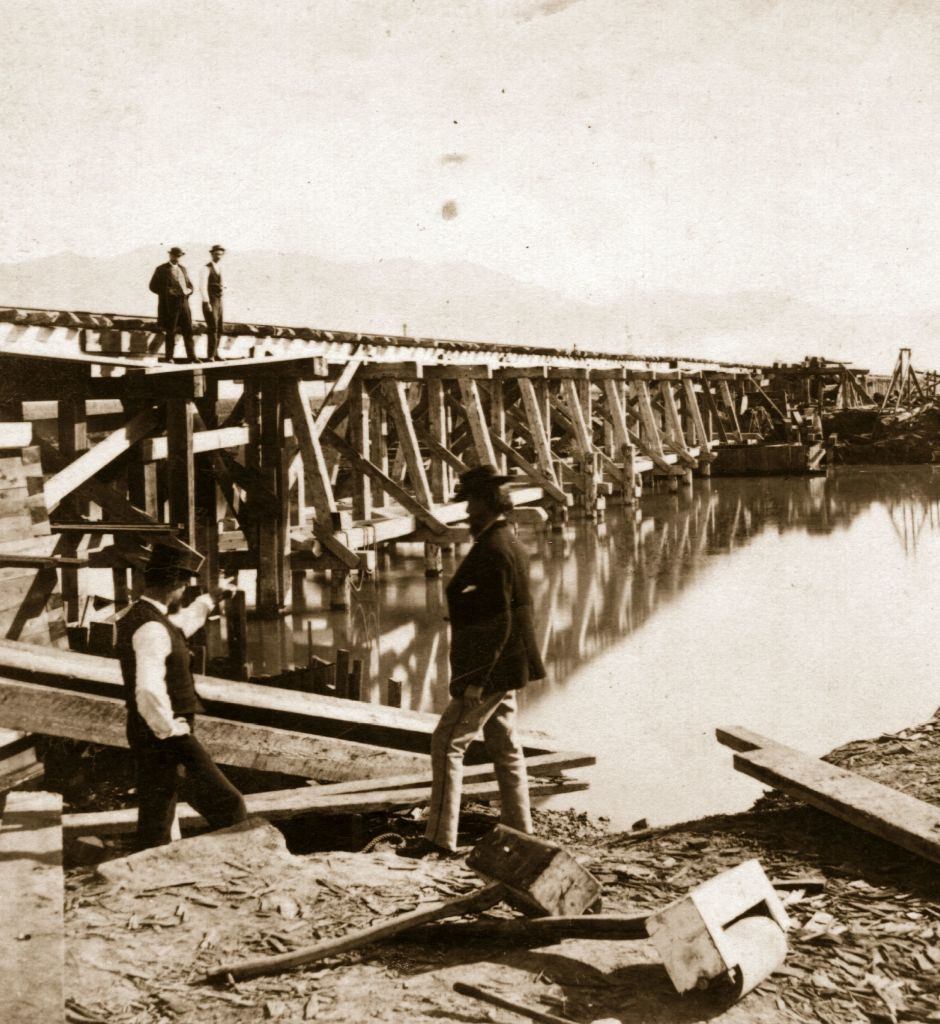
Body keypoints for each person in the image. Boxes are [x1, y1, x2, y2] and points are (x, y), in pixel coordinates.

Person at [398, 464, 546, 858]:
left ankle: (438, 840)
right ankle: (522, 831)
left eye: (471, 503)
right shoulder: (507, 541)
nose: (466, 511)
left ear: (487, 503)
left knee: (446, 743)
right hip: (508, 666)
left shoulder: (494, 549)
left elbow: (500, 622)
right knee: (505, 746)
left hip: (490, 668)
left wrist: (477, 679)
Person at [116, 541, 246, 850]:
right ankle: (242, 861)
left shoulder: (147, 618)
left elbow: (179, 627)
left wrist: (210, 599)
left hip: (149, 733)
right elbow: (147, 688)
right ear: (174, 582)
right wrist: (171, 730)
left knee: (158, 810)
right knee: (230, 805)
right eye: (184, 583)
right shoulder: (151, 628)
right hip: (166, 734)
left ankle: (152, 868)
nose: (184, 590)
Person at [149, 246, 198, 362]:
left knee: (188, 331)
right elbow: (153, 286)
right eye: (175, 255)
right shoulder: (161, 269)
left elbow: (190, 285)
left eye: (179, 256)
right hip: (170, 305)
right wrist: (167, 292)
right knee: (170, 331)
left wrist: (189, 290)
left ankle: (192, 357)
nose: (177, 258)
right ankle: (169, 357)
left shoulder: (183, 269)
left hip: (184, 304)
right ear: (170, 255)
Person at [199, 245, 226, 360]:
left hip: (219, 300)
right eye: (216, 254)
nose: (218, 256)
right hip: (210, 300)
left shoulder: (220, 267)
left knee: (219, 327)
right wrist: (206, 302)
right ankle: (210, 355)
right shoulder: (206, 268)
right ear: (212, 254)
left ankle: (216, 353)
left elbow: (222, 284)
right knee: (213, 327)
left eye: (220, 254)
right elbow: (203, 287)